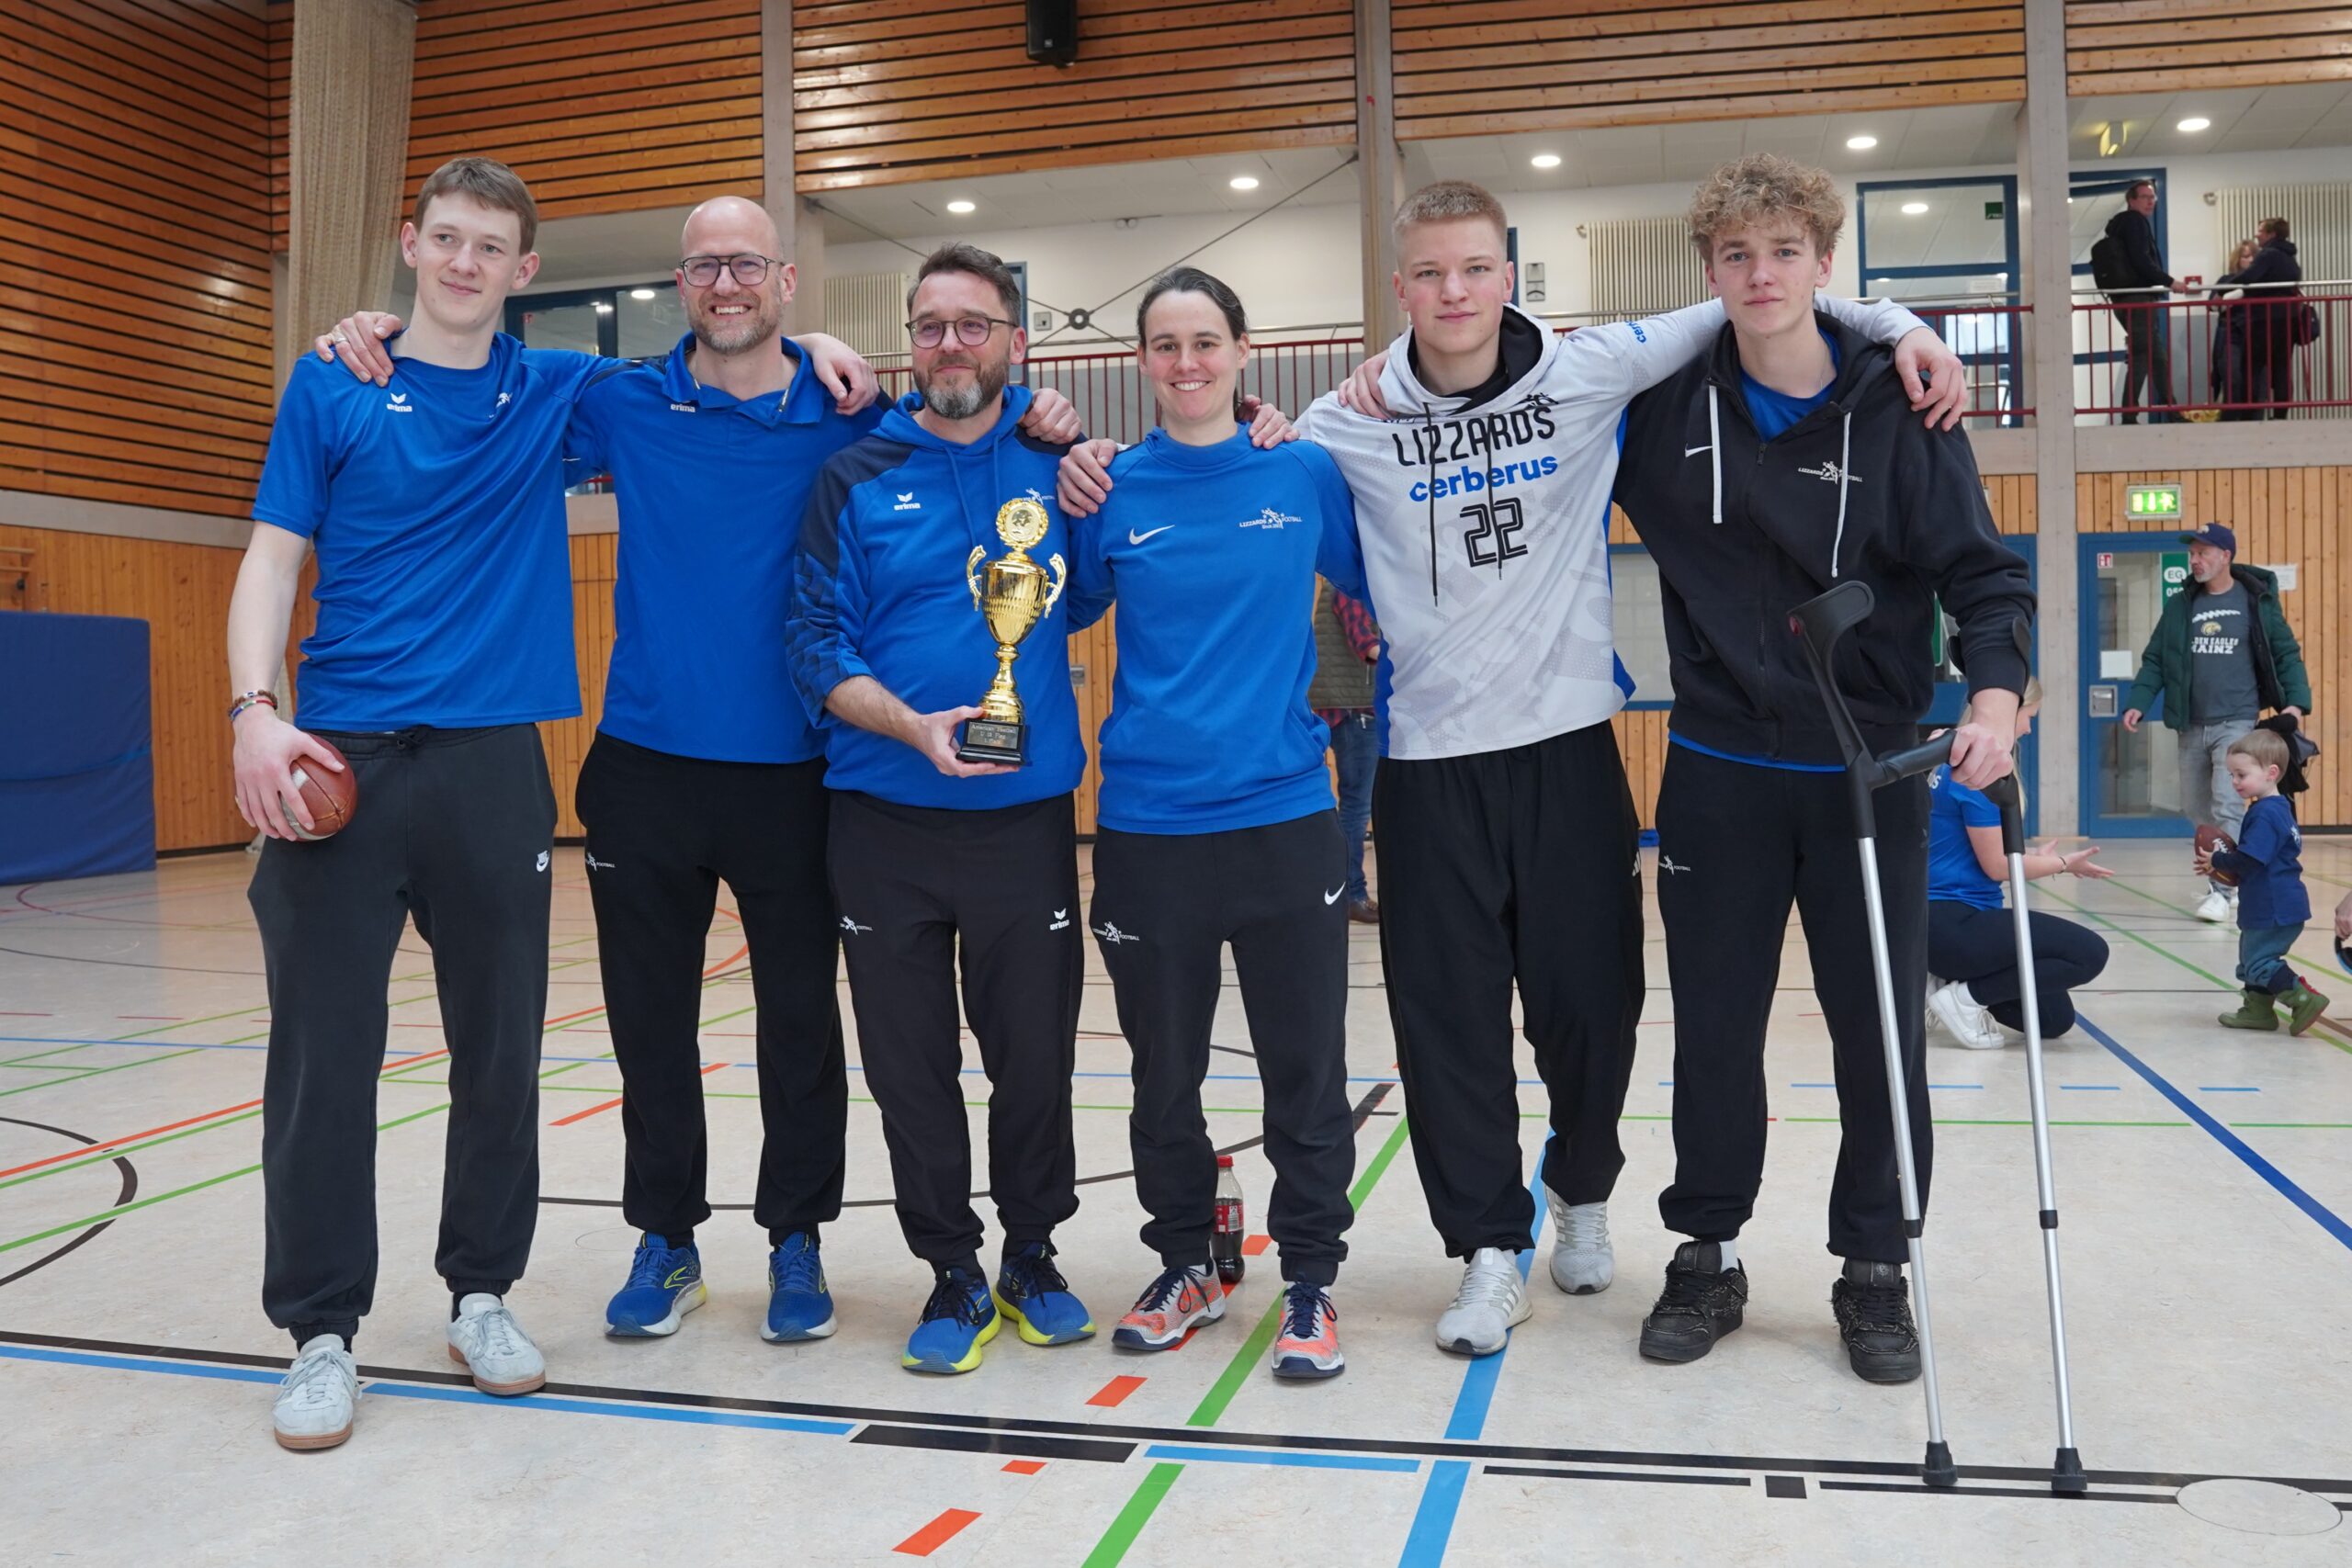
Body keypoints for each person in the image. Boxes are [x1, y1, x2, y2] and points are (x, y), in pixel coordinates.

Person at [1070, 178, 1967, 1358]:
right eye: (1429, 274)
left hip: (1566, 752)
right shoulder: (1336, 425)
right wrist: (1083, 436)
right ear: (1399, 290)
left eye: (1475, 269)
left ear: (1508, 273)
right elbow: (1242, 463)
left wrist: (1903, 325)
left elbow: (1760, 299)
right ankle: (1489, 1246)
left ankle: (1582, 1193)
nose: (1454, 292)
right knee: (1446, 1029)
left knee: (1590, 1011)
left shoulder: (1591, 370)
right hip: (1429, 765)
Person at [307, 202, 1070, 1348]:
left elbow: (976, 415)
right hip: (647, 769)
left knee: (798, 1026)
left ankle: (796, 1238)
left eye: (748, 265)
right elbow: (471, 372)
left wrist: (1054, 412)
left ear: (787, 280)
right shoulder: (615, 398)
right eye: (707, 265)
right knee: (649, 1027)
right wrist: (369, 329)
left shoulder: (848, 405)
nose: (727, 283)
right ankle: (665, 1242)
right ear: (680, 281)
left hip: (798, 774)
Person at [788, 243, 1286, 1374]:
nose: (950, 345)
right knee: (907, 1065)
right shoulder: (854, 475)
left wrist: (1259, 423)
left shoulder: (1065, 468)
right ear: (908, 342)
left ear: (1016, 340)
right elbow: (813, 642)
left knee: (1034, 1058)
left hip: (1023, 824)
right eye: (929, 326)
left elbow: (1132, 567)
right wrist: (910, 726)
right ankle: (951, 1271)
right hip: (881, 818)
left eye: (973, 324)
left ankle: (1031, 1254)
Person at [1609, 154, 2034, 1384]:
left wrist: (1995, 697)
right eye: (1737, 255)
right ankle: (1705, 1248)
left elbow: (1986, 578)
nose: (1760, 274)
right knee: (1717, 1028)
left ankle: (1875, 1265)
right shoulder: (1663, 406)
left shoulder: (1905, 406)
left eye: (1783, 251)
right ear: (1710, 275)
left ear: (1822, 265)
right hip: (1717, 767)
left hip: (1870, 771)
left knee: (1876, 1032)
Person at [232, 157, 598, 1450]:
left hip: (494, 763)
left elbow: (725, 379)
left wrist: (817, 333)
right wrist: (252, 707)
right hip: (343, 758)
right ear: (408, 244)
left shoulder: (558, 389)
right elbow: (273, 555)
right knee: (324, 1058)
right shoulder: (337, 376)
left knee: (498, 1050)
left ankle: (482, 1291)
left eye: (491, 246)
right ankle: (322, 1328)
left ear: (525, 269)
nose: (463, 262)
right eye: (446, 238)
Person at [1071, 266, 1368, 1380]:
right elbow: (1055, 609)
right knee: (1163, 1076)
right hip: (1149, 828)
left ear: (1243, 352)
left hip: (1285, 818)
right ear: (1140, 363)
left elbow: (1383, 576)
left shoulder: (1300, 472)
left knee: (1305, 1069)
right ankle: (1188, 1258)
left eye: (1205, 342)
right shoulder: (1107, 492)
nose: (1186, 364)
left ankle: (1307, 1281)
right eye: (1164, 346)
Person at [2122, 521, 2311, 923]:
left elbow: (2286, 654)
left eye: (2202, 552)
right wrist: (2139, 701)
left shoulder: (2255, 601)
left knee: (2229, 802)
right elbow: (2156, 657)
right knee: (2196, 807)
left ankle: (2223, 891)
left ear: (2225, 556)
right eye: (2192, 553)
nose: (2195, 560)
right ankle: (2228, 877)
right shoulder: (2181, 605)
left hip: (2238, 721)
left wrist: (2296, 704)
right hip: (2191, 722)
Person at [1926, 682, 2113, 1051]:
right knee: (2090, 952)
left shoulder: (1951, 757)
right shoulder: (1975, 774)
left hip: (1942, 924)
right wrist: (2061, 864)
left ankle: (1945, 980)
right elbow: (1998, 866)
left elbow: (1972, 848)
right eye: (2029, 717)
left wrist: (2036, 857)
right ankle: (1963, 998)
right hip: (1951, 924)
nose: (2028, 728)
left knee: (2053, 1020)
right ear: (2009, 710)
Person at [2197, 728, 2328, 1034]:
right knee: (2251, 960)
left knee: (2260, 962)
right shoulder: (2277, 807)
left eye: (2241, 774)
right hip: (2275, 903)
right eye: (2231, 775)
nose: (2234, 782)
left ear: (2271, 773)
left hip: (2272, 905)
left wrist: (2216, 861)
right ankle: (2258, 1011)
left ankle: (2304, 997)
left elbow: (2252, 860)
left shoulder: (2266, 814)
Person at [1310, 584, 1382, 922]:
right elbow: (1365, 645)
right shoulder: (1349, 588)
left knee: (1349, 806)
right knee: (1356, 808)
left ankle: (1343, 892)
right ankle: (1352, 894)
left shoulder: (1331, 586)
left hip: (1341, 706)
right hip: (1356, 709)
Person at [2103, 179, 2177, 423]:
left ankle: (2171, 410)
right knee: (2143, 355)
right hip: (2137, 298)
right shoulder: (2135, 222)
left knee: (2156, 356)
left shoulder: (2122, 226)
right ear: (2131, 201)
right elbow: (2141, 260)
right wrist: (2170, 281)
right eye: (2145, 197)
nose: (2150, 201)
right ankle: (2129, 414)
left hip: (2127, 299)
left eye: (2152, 197)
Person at [2221, 219, 2303, 423]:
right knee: (2282, 367)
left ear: (2271, 234)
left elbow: (2250, 276)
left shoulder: (2268, 254)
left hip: (2265, 320)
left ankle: (2250, 414)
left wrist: (2223, 288)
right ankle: (2280, 415)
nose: (2257, 235)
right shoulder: (2289, 257)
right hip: (2288, 318)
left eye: (2260, 231)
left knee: (2252, 366)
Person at [2209, 237, 2259, 407]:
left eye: (2253, 256)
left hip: (2257, 337)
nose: (2250, 260)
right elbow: (2213, 305)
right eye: (2245, 256)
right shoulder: (2226, 280)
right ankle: (2231, 421)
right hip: (2231, 336)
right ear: (2237, 259)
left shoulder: (2261, 282)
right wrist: (2235, 293)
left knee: (2256, 387)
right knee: (2232, 380)